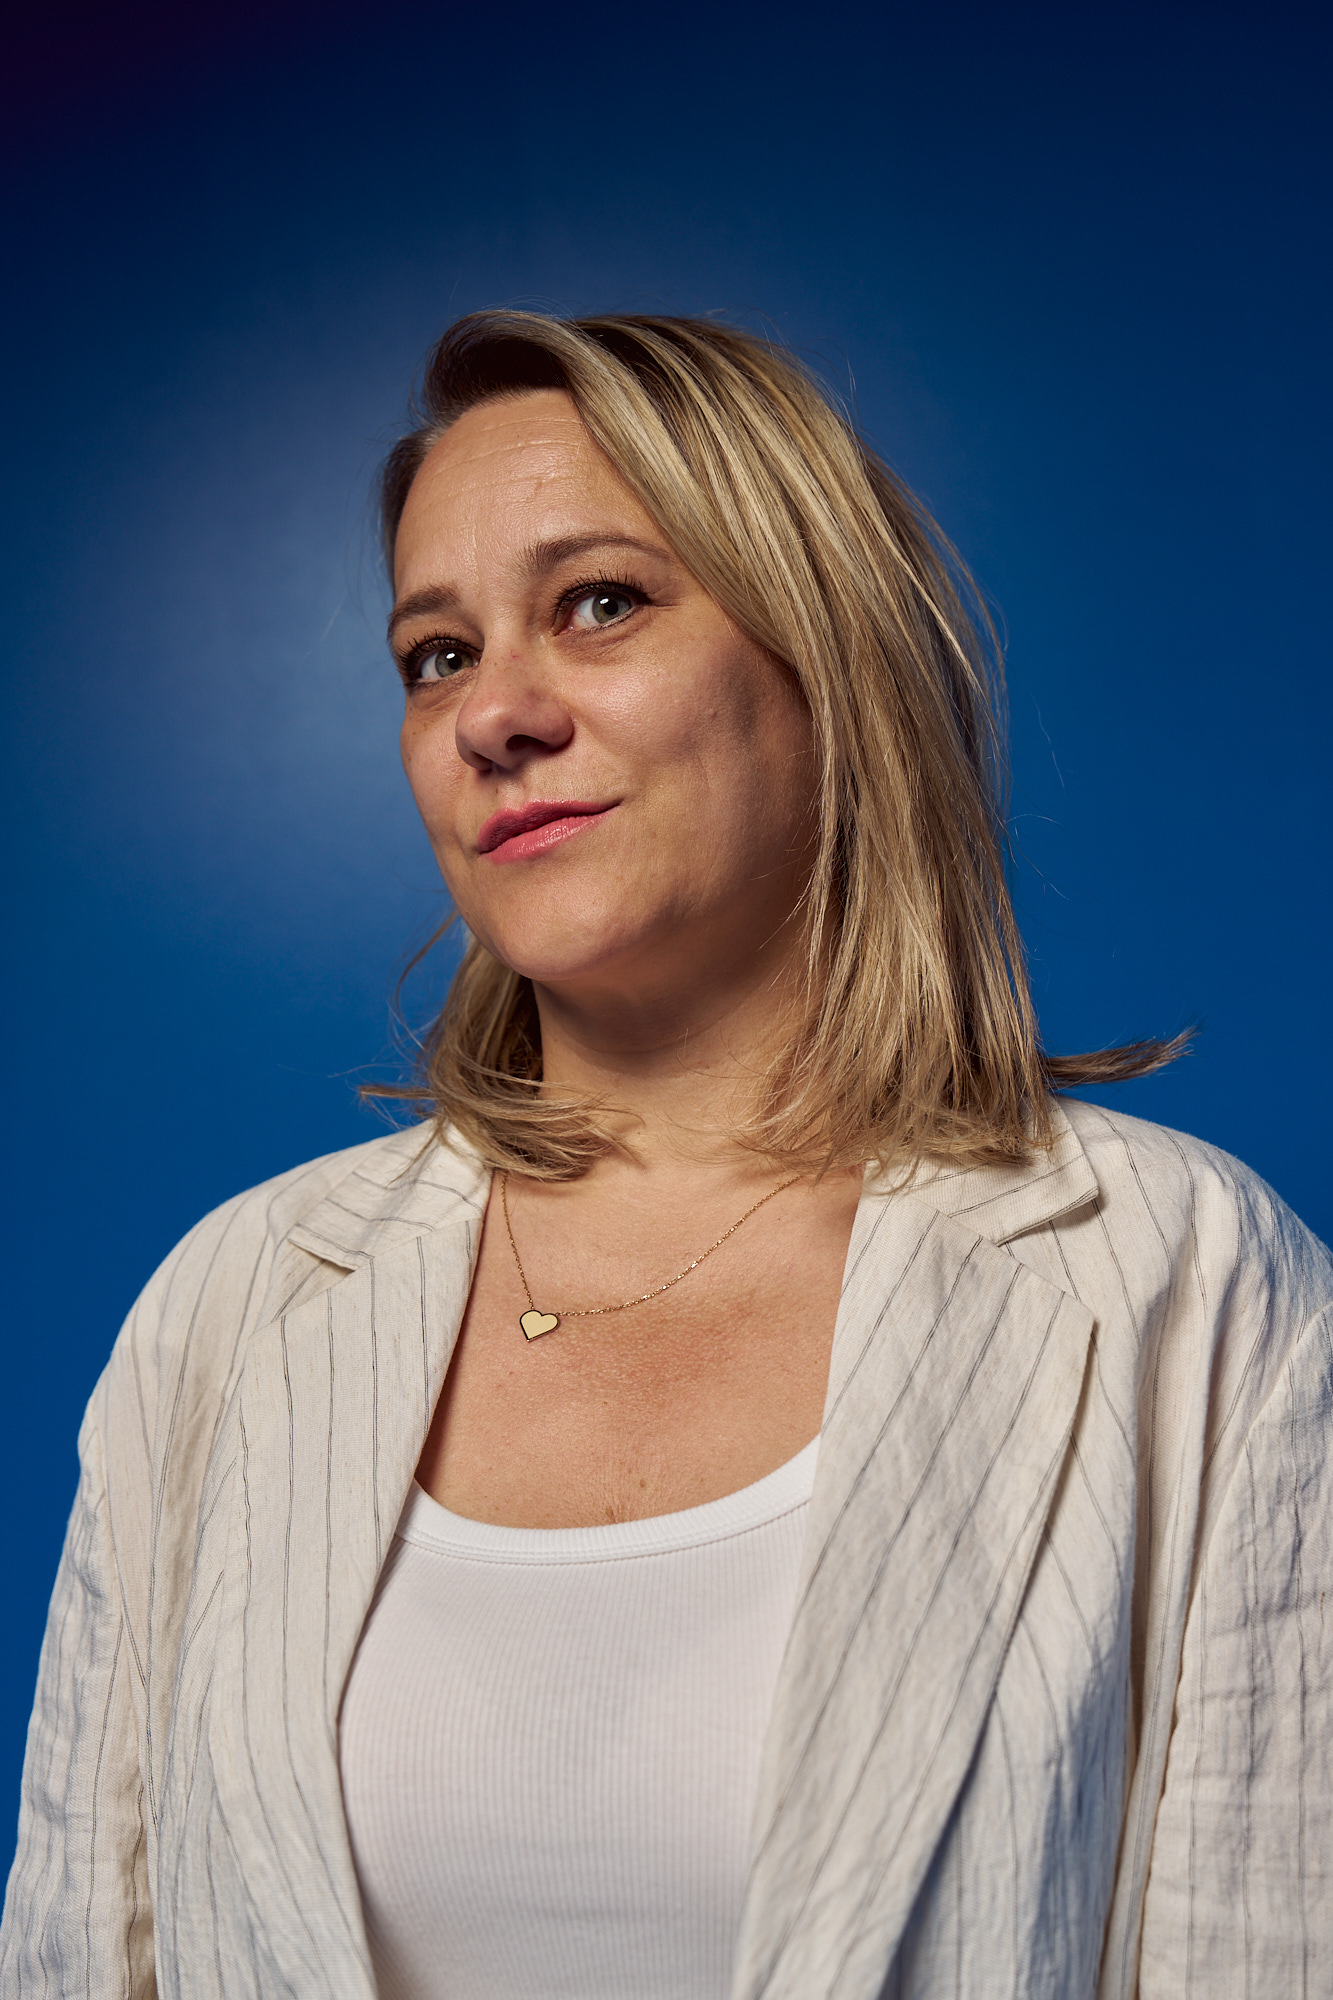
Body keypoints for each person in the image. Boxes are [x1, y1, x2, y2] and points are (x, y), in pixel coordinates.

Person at [2, 312, 1330, 2000]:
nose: (494, 715)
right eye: (435, 654)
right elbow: (78, 1957)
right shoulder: (231, 1307)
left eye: (599, 603)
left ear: (827, 655)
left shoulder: (1179, 1277)